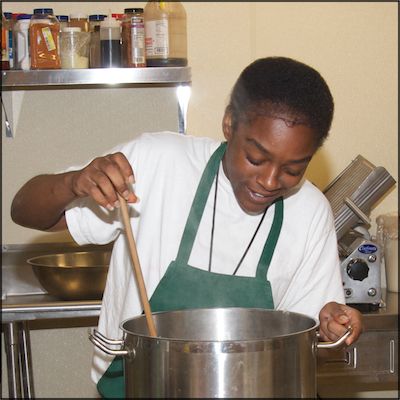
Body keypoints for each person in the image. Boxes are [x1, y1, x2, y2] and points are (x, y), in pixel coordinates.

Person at [11, 56, 363, 398]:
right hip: (139, 384)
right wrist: (75, 181)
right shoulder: (158, 163)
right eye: (255, 158)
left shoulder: (310, 211)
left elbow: (316, 347)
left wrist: (335, 330)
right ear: (229, 124)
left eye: (292, 169)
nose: (270, 180)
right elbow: (25, 211)